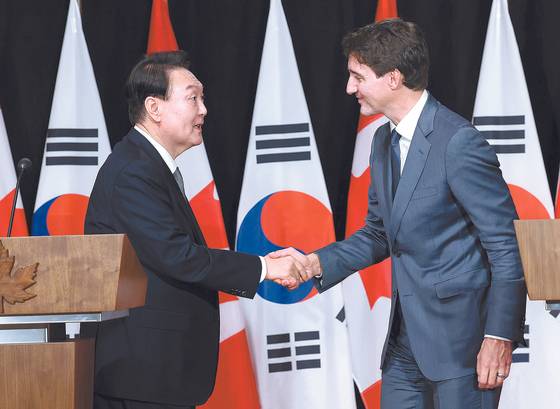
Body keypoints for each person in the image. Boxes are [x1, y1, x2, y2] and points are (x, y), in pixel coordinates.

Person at [272, 18, 526, 409]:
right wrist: (312, 263)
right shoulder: (381, 141)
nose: (349, 87)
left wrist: (499, 337)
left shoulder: (458, 143)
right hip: (404, 343)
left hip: (465, 346)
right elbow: (378, 234)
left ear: (393, 78)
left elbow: (507, 246)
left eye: (358, 76)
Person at [85, 51, 303, 409]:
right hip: (141, 376)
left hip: (157, 373)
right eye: (192, 98)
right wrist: (266, 267)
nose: (203, 110)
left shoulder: (148, 165)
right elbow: (177, 256)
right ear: (154, 108)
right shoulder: (133, 172)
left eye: (202, 99)